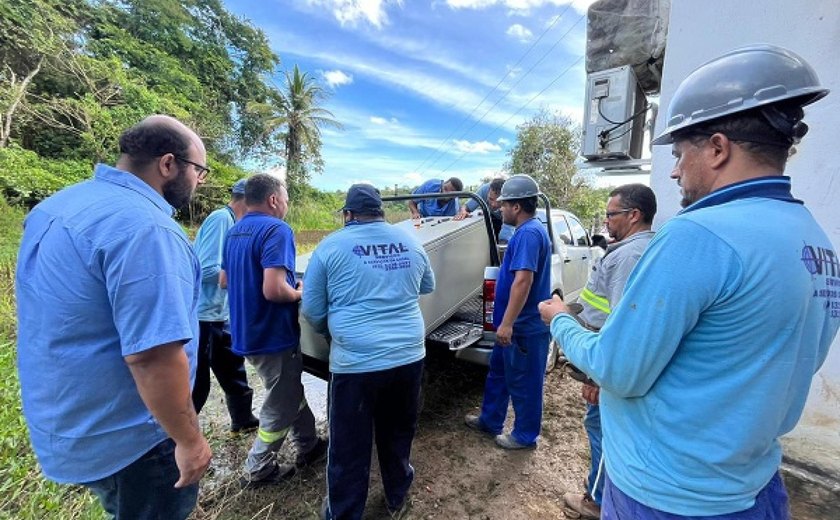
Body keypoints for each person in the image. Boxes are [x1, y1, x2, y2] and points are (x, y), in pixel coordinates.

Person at [539, 44, 839, 518]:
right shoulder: (814, 240)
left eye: (679, 153)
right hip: (752, 483)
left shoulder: (700, 234)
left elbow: (619, 370)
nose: (675, 169)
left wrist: (559, 320)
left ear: (718, 148)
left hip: (668, 492)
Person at [16, 115, 212, 519]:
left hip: (69, 417)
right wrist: (189, 440)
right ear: (168, 164)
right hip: (134, 433)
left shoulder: (57, 206)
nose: (200, 182)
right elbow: (154, 356)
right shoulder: (146, 228)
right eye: (199, 171)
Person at [301, 184, 435, 520]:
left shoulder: (330, 247)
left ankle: (344, 512)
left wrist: (331, 335)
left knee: (349, 444)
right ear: (382, 212)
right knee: (398, 431)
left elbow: (313, 309)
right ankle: (397, 497)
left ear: (348, 214)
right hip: (408, 357)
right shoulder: (410, 242)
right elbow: (427, 285)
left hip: (356, 363)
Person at [222, 173, 327, 487]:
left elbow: (224, 281)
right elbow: (273, 290)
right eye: (285, 198)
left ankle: (310, 445)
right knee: (279, 403)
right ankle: (259, 468)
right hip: (271, 333)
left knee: (289, 390)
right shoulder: (276, 229)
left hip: (244, 331)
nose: (286, 204)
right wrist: (300, 292)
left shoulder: (236, 230)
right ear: (273, 200)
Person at [562, 183, 656, 520]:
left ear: (634, 215)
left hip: (607, 367)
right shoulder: (641, 248)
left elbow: (618, 326)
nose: (605, 222)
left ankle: (597, 499)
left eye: (610, 214)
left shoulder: (629, 256)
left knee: (602, 427)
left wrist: (597, 377)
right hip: (609, 362)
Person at [464, 174, 552, 449]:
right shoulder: (525, 232)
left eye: (503, 205)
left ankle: (525, 436)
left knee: (525, 383)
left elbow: (523, 281)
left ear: (516, 207)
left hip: (523, 327)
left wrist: (508, 324)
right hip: (512, 324)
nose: (499, 209)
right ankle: (490, 420)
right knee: (499, 374)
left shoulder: (528, 234)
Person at [191, 178, 259, 432]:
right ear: (247, 201)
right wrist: (247, 276)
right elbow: (206, 268)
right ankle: (179, 441)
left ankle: (243, 420)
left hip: (222, 314)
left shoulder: (235, 224)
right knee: (198, 383)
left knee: (233, 369)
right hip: (203, 315)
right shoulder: (221, 219)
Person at [454, 177, 514, 241]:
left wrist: (504, 243)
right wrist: (463, 211)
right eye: (491, 199)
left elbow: (509, 227)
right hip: (492, 218)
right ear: (488, 191)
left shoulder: (510, 195)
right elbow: (466, 207)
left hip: (507, 220)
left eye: (499, 201)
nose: (494, 204)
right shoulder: (484, 190)